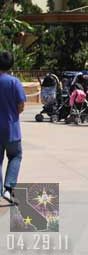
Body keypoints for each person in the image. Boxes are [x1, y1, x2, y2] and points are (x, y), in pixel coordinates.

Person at [0, 51, 25, 204]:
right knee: (15, 156)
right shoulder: (14, 82)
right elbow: (21, 106)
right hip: (11, 128)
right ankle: (8, 189)